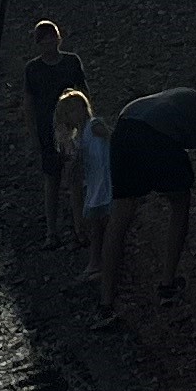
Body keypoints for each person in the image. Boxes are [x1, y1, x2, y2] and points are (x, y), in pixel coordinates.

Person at [117, 85, 196, 263]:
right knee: (181, 201)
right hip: (157, 130)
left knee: (121, 210)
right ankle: (169, 280)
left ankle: (104, 280)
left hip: (126, 119)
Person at [100, 97, 196, 311]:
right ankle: (167, 285)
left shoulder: (175, 99)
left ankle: (106, 301)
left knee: (121, 214)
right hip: (153, 132)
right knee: (180, 201)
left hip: (124, 126)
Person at [21, 18, 83, 245]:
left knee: (75, 178)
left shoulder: (72, 62)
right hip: (47, 130)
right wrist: (33, 134)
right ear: (39, 43)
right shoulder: (33, 69)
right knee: (52, 180)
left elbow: (83, 95)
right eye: (44, 39)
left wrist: (86, 124)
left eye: (52, 37)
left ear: (58, 38)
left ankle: (80, 229)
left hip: (71, 128)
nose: (50, 42)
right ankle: (51, 232)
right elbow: (28, 103)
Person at [62, 89, 112, 295]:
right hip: (94, 184)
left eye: (76, 109)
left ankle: (101, 264)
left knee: (105, 224)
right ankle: (95, 263)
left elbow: (113, 138)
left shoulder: (95, 126)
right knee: (96, 226)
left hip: (107, 181)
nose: (74, 114)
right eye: (69, 112)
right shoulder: (79, 139)